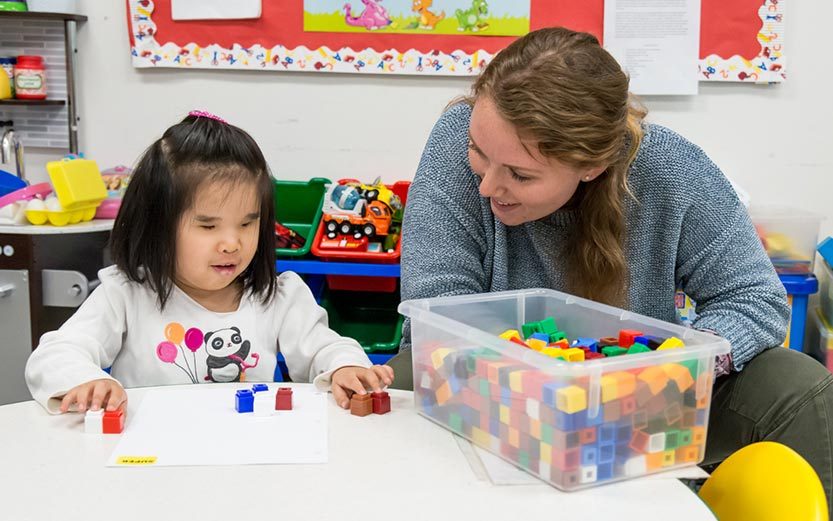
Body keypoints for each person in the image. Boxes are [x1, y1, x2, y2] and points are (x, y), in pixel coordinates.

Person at [389, 27, 833, 508]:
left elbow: (753, 299)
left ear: (591, 166)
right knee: (407, 376)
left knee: (796, 384)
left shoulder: (673, 169)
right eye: (480, 156)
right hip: (491, 383)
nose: (487, 186)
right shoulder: (460, 137)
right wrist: (541, 388)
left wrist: (664, 370)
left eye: (520, 174)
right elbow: (440, 311)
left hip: (643, 399)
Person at [26, 111, 393, 414]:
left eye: (248, 223)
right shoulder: (126, 294)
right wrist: (86, 380)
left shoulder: (279, 295)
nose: (232, 243)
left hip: (249, 459)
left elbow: (326, 347)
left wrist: (346, 365)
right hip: (152, 463)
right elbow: (57, 353)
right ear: (156, 224)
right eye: (207, 225)